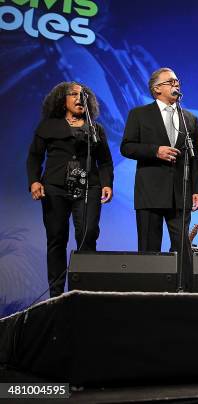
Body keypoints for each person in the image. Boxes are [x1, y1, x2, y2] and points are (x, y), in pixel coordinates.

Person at [27, 82, 114, 297]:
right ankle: (56, 294)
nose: (79, 97)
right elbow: (35, 157)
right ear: (62, 100)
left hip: (88, 187)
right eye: (73, 94)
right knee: (57, 237)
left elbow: (104, 161)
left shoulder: (95, 129)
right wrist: (34, 181)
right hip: (55, 188)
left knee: (88, 234)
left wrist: (106, 184)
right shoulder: (48, 126)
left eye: (83, 94)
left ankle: (84, 291)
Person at [120, 67, 198, 288]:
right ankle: (149, 293)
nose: (177, 84)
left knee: (182, 247)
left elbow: (197, 157)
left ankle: (185, 291)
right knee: (149, 246)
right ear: (157, 89)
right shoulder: (139, 114)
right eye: (171, 81)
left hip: (181, 192)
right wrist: (155, 151)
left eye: (178, 81)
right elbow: (127, 147)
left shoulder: (190, 119)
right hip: (150, 191)